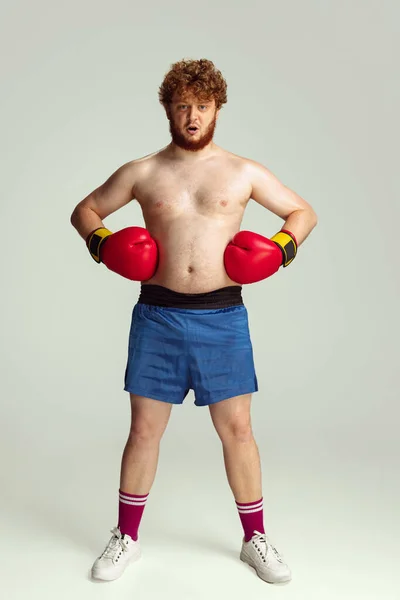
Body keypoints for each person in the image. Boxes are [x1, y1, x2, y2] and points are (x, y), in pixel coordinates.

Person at [70, 58, 318, 585]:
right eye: (182, 106)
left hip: (223, 317)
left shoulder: (243, 171)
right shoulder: (143, 171)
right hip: (157, 315)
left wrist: (279, 250)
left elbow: (303, 213)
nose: (192, 116)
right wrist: (104, 244)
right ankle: (127, 538)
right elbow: (85, 210)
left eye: (202, 106)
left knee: (239, 430)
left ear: (217, 110)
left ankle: (256, 539)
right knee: (143, 430)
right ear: (167, 109)